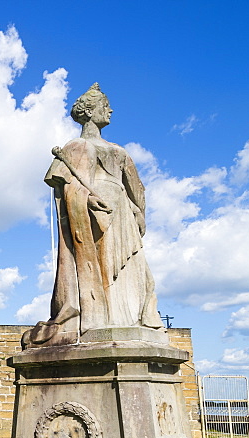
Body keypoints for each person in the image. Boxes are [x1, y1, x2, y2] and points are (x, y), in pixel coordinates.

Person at [22, 83, 162, 349]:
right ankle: (101, 318)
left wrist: (138, 213)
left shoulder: (119, 151)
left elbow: (136, 189)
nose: (110, 110)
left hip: (121, 215)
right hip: (94, 216)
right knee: (104, 268)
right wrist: (86, 198)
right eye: (104, 105)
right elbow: (66, 186)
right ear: (88, 111)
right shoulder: (76, 146)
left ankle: (132, 319)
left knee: (134, 270)